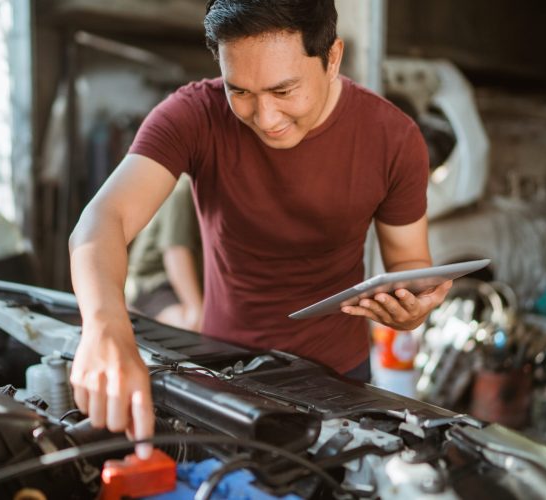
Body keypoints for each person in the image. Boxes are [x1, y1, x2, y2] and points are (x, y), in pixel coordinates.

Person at [68, 0, 452, 458]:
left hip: (339, 381)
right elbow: (102, 220)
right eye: (241, 91)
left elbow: (409, 260)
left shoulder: (394, 138)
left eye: (284, 90)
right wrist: (104, 325)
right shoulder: (194, 114)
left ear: (332, 58)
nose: (265, 118)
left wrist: (411, 308)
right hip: (221, 371)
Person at [125, 174, 203, 331]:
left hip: (196, 281)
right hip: (154, 283)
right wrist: (196, 310)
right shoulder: (184, 188)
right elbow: (175, 252)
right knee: (194, 325)